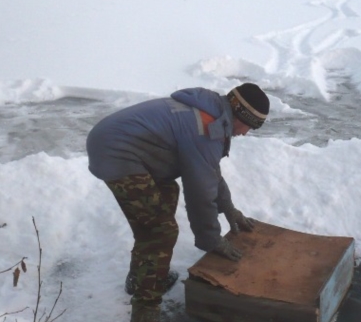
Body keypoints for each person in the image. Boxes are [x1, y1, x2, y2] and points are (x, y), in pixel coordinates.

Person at [86, 83, 270, 322]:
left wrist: (229, 209)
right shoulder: (205, 127)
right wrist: (211, 239)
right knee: (161, 230)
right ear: (239, 114)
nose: (245, 133)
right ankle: (146, 309)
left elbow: (208, 171)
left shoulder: (211, 115)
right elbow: (200, 193)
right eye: (249, 126)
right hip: (116, 151)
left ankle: (142, 276)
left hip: (133, 148)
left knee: (165, 197)